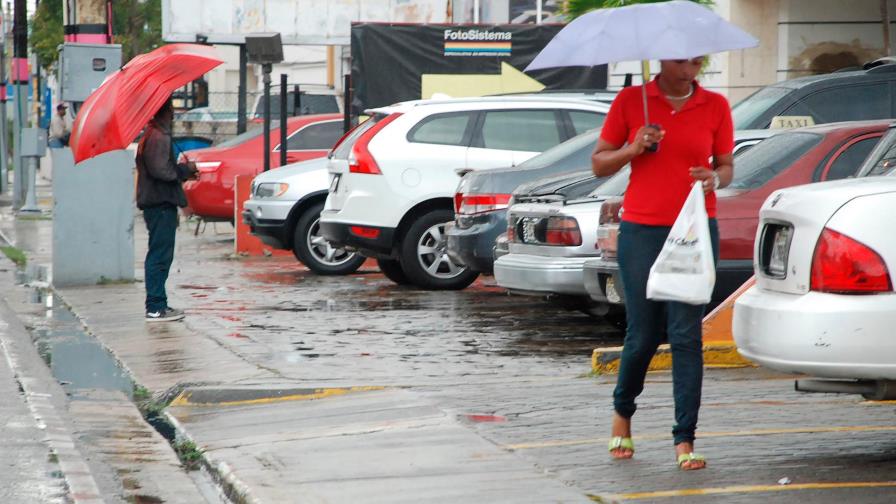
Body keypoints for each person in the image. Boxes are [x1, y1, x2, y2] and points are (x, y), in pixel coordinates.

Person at [591, 57, 734, 471]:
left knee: (686, 335)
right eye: (681, 59)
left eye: (696, 59)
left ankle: (684, 438)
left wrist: (715, 179)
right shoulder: (632, 102)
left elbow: (726, 166)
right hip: (642, 231)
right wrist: (634, 147)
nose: (690, 66)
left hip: (694, 229)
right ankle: (623, 413)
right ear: (663, 60)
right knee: (644, 334)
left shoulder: (715, 106)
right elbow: (599, 163)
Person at [136, 99, 198, 322]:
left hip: (159, 203)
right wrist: (184, 170)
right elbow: (162, 171)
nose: (174, 115)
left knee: (161, 254)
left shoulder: (155, 135)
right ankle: (155, 307)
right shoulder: (157, 137)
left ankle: (159, 303)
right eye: (172, 110)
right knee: (159, 256)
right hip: (159, 204)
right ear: (166, 111)